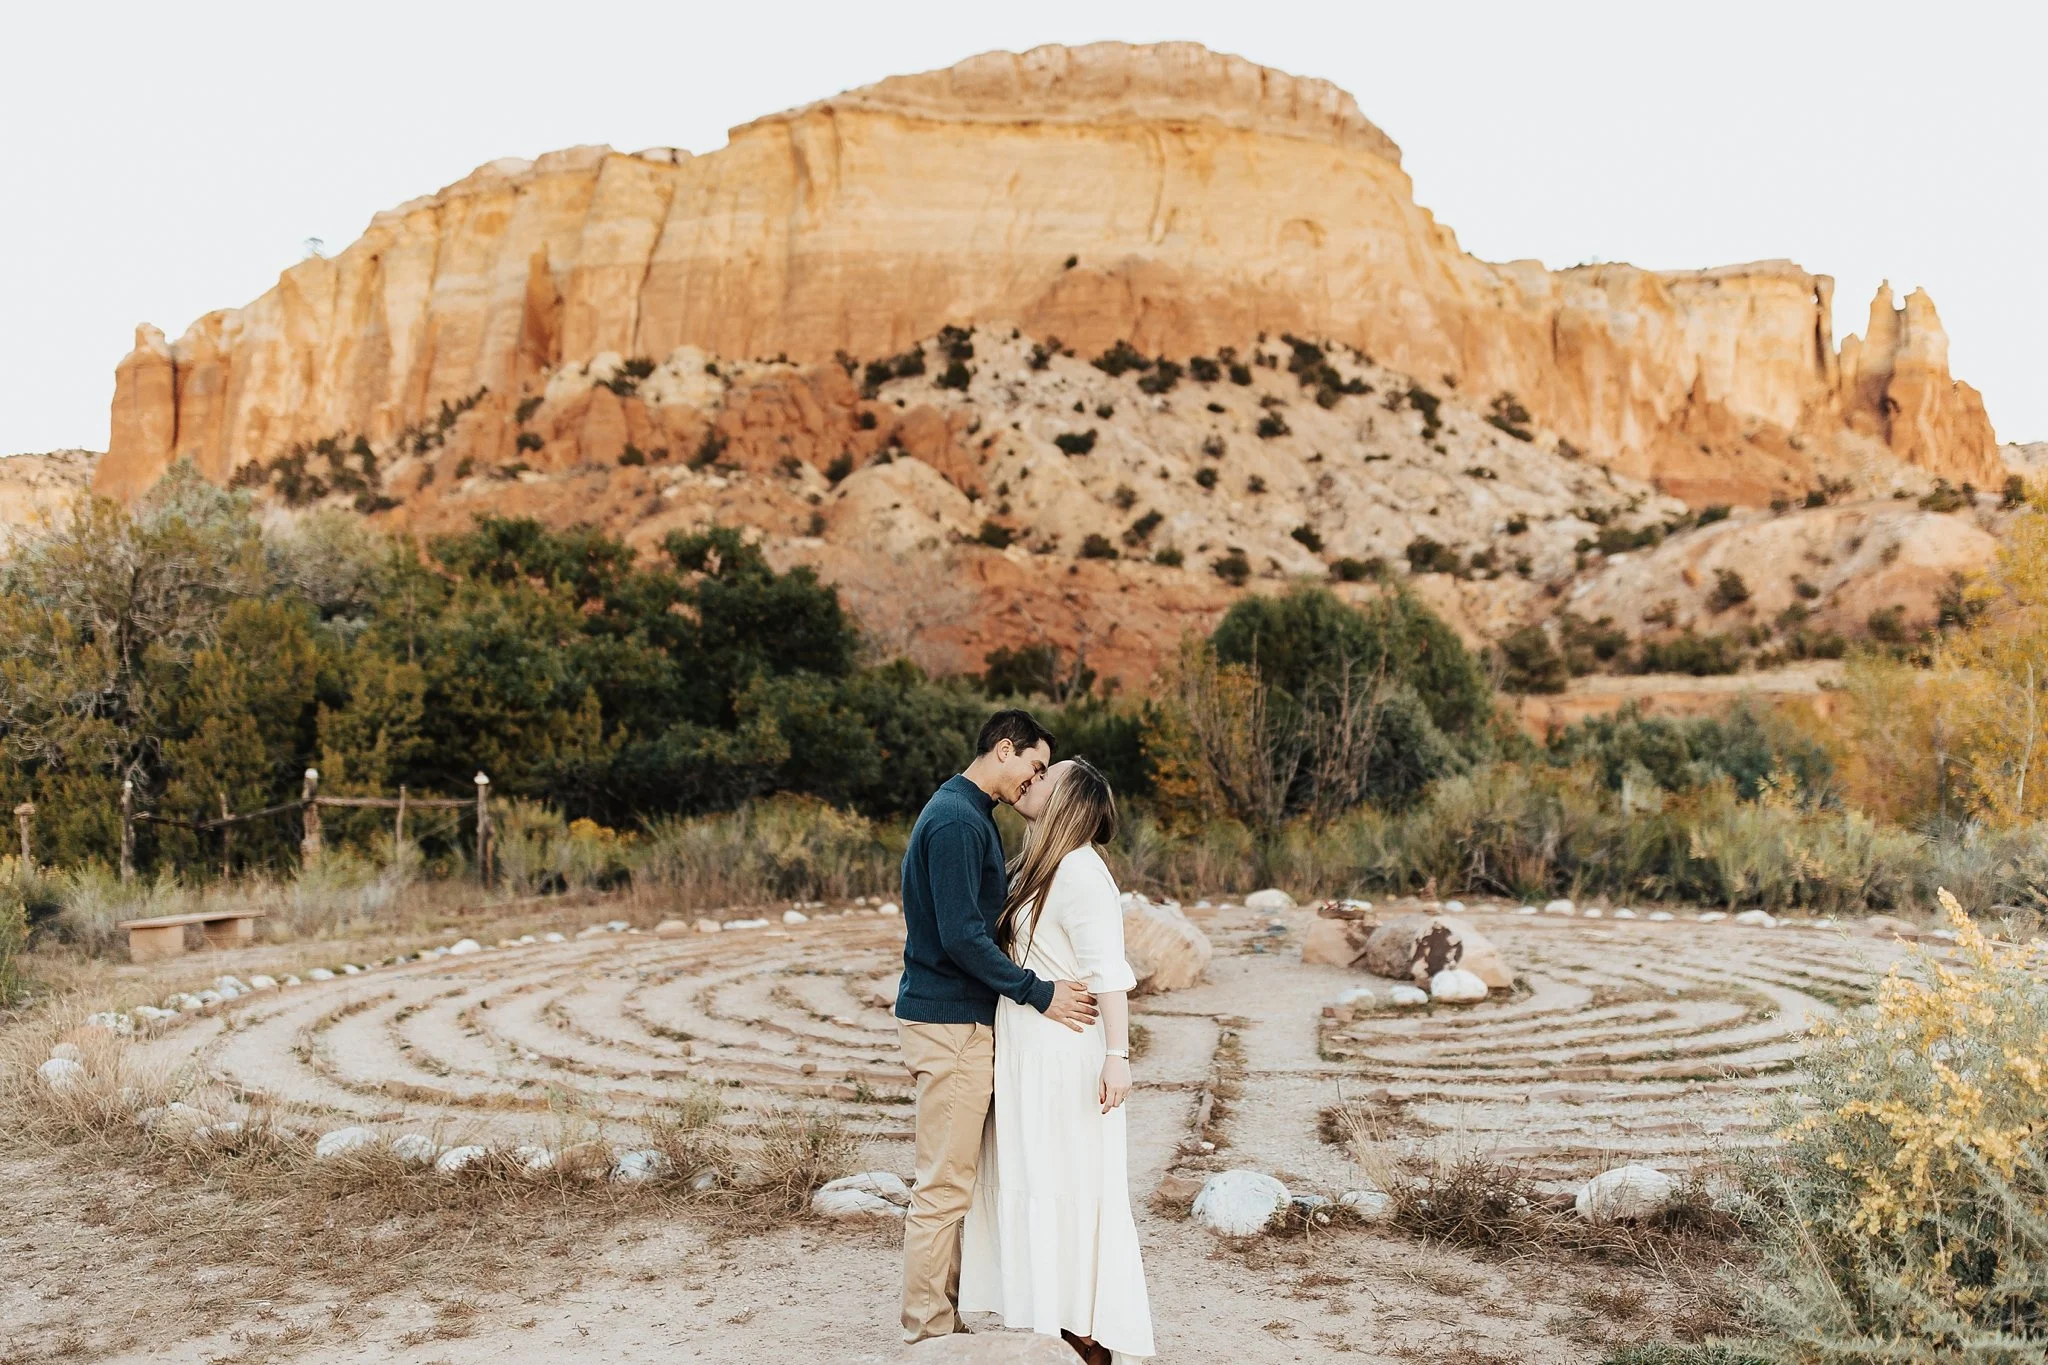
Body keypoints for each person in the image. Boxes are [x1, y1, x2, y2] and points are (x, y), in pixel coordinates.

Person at [896, 710, 1101, 1344]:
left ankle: (944, 1317)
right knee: (944, 1185)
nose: (1035, 781)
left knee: (956, 1180)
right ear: (1004, 749)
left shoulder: (967, 812)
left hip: (956, 1020)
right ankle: (927, 1333)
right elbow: (962, 936)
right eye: (1035, 766)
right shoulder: (959, 821)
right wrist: (1037, 993)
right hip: (950, 1022)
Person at [959, 758, 1154, 1363]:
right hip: (1029, 1048)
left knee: (1068, 1181)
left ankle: (1089, 1337)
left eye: (1045, 775)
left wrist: (1117, 1058)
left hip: (1065, 1056)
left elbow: (1109, 975)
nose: (1032, 779)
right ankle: (1062, 1326)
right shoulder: (1042, 867)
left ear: (1066, 797)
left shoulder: (1079, 872)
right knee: (1038, 1178)